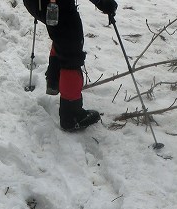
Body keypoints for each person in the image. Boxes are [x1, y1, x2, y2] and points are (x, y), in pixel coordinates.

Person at [22, 0, 118, 131]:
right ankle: (71, 117)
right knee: (71, 54)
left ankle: (54, 80)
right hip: (58, 7)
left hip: (36, 4)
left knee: (61, 36)